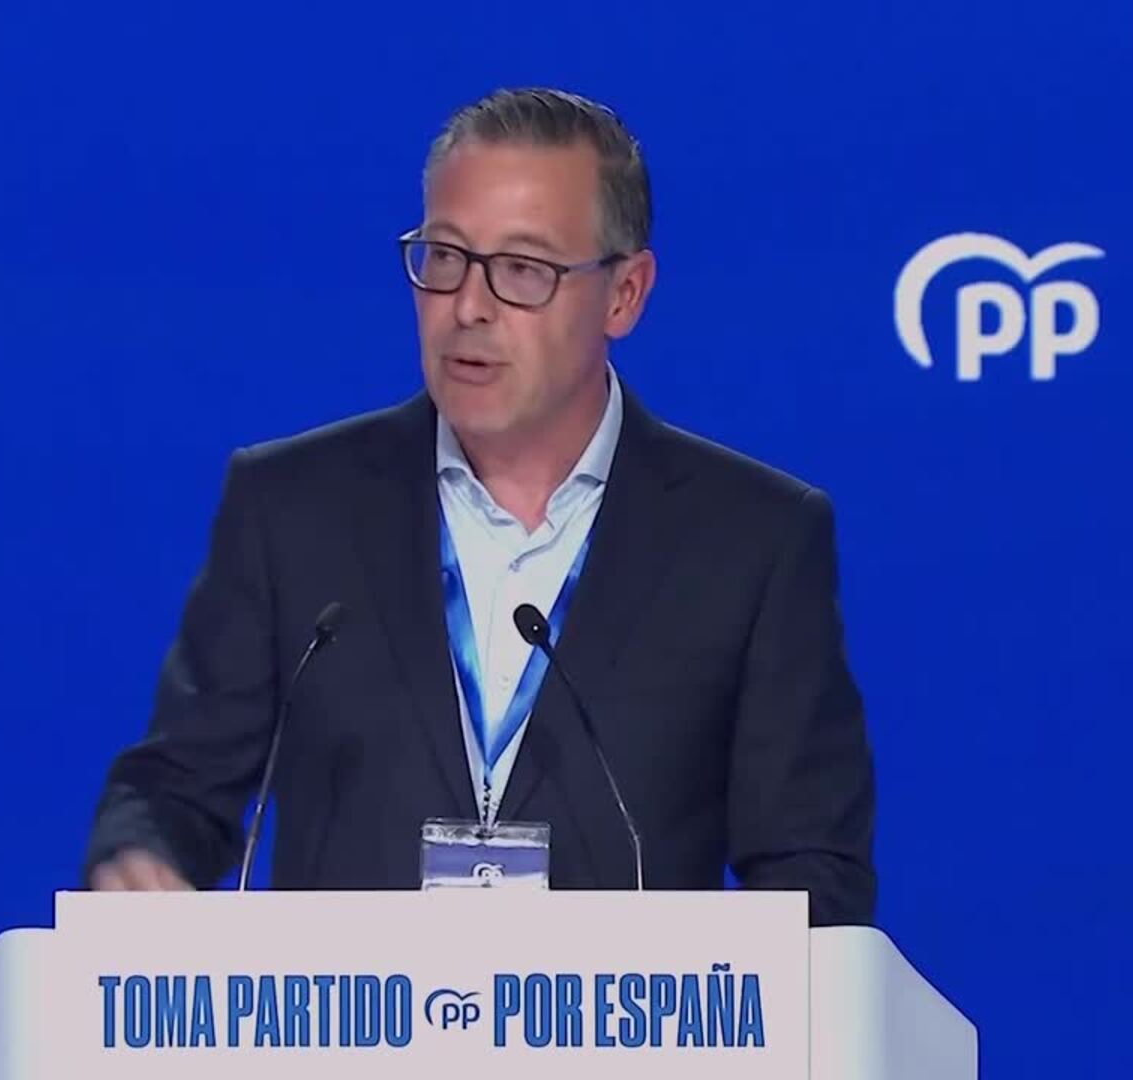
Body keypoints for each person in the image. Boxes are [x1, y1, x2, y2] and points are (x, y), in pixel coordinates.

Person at [82, 87, 876, 925]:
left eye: (523, 270)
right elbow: (175, 787)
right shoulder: (292, 509)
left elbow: (813, 873)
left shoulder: (752, 540)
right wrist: (144, 857)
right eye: (445, 257)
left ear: (625, 294)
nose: (467, 306)